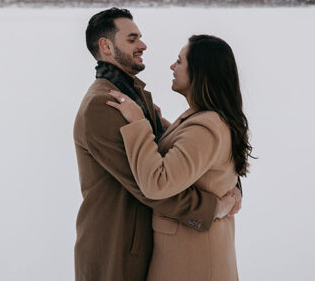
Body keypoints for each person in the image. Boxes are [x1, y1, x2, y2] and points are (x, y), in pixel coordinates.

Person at [74, 8, 238, 281]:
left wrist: (230, 181)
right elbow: (150, 188)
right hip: (117, 249)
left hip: (142, 245)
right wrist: (213, 208)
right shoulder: (103, 104)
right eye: (132, 39)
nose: (143, 45)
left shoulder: (132, 95)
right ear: (106, 46)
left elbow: (189, 147)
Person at [107, 34, 252, 281]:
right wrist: (159, 124)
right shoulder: (206, 118)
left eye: (179, 61)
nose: (172, 67)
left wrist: (139, 124)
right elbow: (194, 157)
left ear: (200, 72)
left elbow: (158, 183)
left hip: (192, 263)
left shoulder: (205, 128)